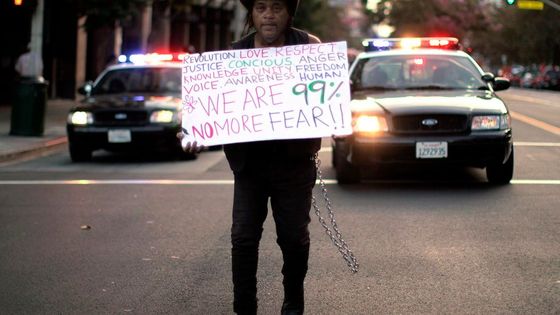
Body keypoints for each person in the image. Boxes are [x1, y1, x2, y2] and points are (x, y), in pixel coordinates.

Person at [180, 1, 321, 314]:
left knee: (294, 239)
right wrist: (196, 135)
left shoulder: (308, 47)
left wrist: (336, 124)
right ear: (252, 14)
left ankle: (293, 303)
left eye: (276, 7)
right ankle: (244, 306)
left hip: (294, 165)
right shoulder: (234, 55)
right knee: (243, 239)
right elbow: (214, 110)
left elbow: (326, 96)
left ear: (289, 14)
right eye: (261, 7)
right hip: (250, 167)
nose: (268, 15)